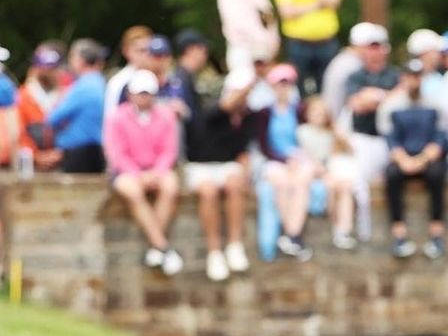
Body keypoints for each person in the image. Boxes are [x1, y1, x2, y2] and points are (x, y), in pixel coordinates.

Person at [103, 71, 182, 273]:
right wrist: (139, 175)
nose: (144, 97)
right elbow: (117, 153)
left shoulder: (166, 115)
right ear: (130, 94)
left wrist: (156, 173)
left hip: (157, 169)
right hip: (127, 171)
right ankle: (162, 246)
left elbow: (169, 150)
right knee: (132, 191)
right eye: (140, 93)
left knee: (171, 186)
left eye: (148, 93)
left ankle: (156, 248)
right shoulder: (117, 117)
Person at [185, 66, 257, 280]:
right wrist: (251, 81)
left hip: (226, 166)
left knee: (235, 186)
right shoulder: (213, 108)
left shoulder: (248, 117)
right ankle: (214, 252)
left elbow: (243, 153)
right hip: (200, 166)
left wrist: (247, 174)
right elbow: (227, 105)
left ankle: (234, 246)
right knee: (208, 193)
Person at [377, 58, 448, 260]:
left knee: (438, 175)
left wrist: (422, 159)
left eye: (418, 77)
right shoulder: (391, 105)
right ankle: (399, 235)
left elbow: (440, 139)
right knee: (391, 176)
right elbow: (390, 139)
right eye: (410, 76)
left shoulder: (435, 104)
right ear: (403, 78)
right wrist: (403, 160)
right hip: (403, 158)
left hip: (427, 158)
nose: (414, 81)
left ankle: (436, 234)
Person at [337, 23, 402, 242]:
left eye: (378, 47)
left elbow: (398, 101)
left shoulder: (395, 74)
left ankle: (397, 234)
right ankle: (359, 232)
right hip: (362, 138)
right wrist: (385, 97)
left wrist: (374, 97)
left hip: (388, 139)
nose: (375, 52)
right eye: (371, 47)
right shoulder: (355, 76)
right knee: (358, 184)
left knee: (393, 178)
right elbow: (356, 103)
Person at [262, 63, 318, 261]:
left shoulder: (301, 109)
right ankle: (292, 235)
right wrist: (285, 159)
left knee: (301, 184)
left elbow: (310, 137)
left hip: (300, 159)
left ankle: (292, 235)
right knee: (282, 183)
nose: (283, 88)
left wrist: (299, 158)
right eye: (279, 84)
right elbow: (265, 146)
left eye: (287, 84)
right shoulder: (264, 113)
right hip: (276, 160)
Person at [296, 94, 361, 250]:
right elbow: (304, 157)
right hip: (312, 173)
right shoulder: (302, 131)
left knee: (345, 187)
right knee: (331, 186)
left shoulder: (330, 133)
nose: (319, 116)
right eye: (315, 112)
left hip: (329, 172)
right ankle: (331, 218)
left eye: (322, 113)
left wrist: (339, 134)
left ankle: (343, 231)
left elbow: (349, 151)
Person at [46, 39, 107, 172]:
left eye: (72, 56)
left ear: (81, 59)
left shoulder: (83, 86)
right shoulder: (101, 83)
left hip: (78, 152)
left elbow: (53, 118)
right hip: (97, 149)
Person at [16, 44, 66, 171]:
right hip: (30, 163)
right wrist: (36, 156)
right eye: (46, 68)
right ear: (36, 68)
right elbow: (18, 132)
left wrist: (61, 153)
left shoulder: (66, 95)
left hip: (60, 161)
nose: (50, 72)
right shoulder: (22, 96)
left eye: (53, 68)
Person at [321, 22, 374, 121]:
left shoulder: (343, 59)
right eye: (371, 46)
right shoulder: (353, 64)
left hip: (333, 120)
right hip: (338, 123)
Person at [104, 25, 152, 116]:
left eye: (149, 50)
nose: (146, 55)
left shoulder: (159, 78)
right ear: (126, 51)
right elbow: (110, 116)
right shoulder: (118, 82)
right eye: (140, 50)